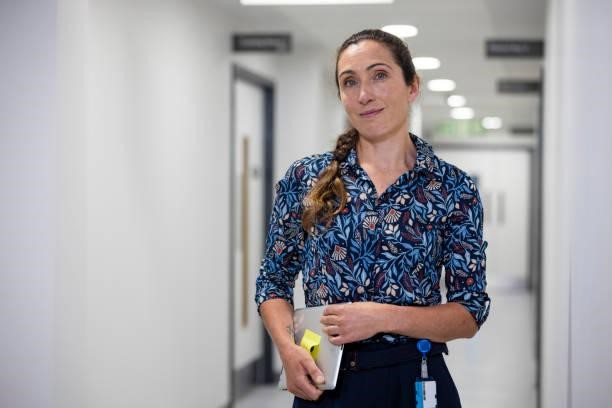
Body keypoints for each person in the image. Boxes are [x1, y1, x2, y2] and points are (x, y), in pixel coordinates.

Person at [255, 28, 490, 407]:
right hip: (327, 383)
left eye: (379, 75)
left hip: (415, 380)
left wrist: (382, 317)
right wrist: (288, 349)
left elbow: (469, 311)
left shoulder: (452, 188)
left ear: (412, 86)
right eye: (350, 82)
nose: (364, 94)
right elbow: (272, 283)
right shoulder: (306, 179)